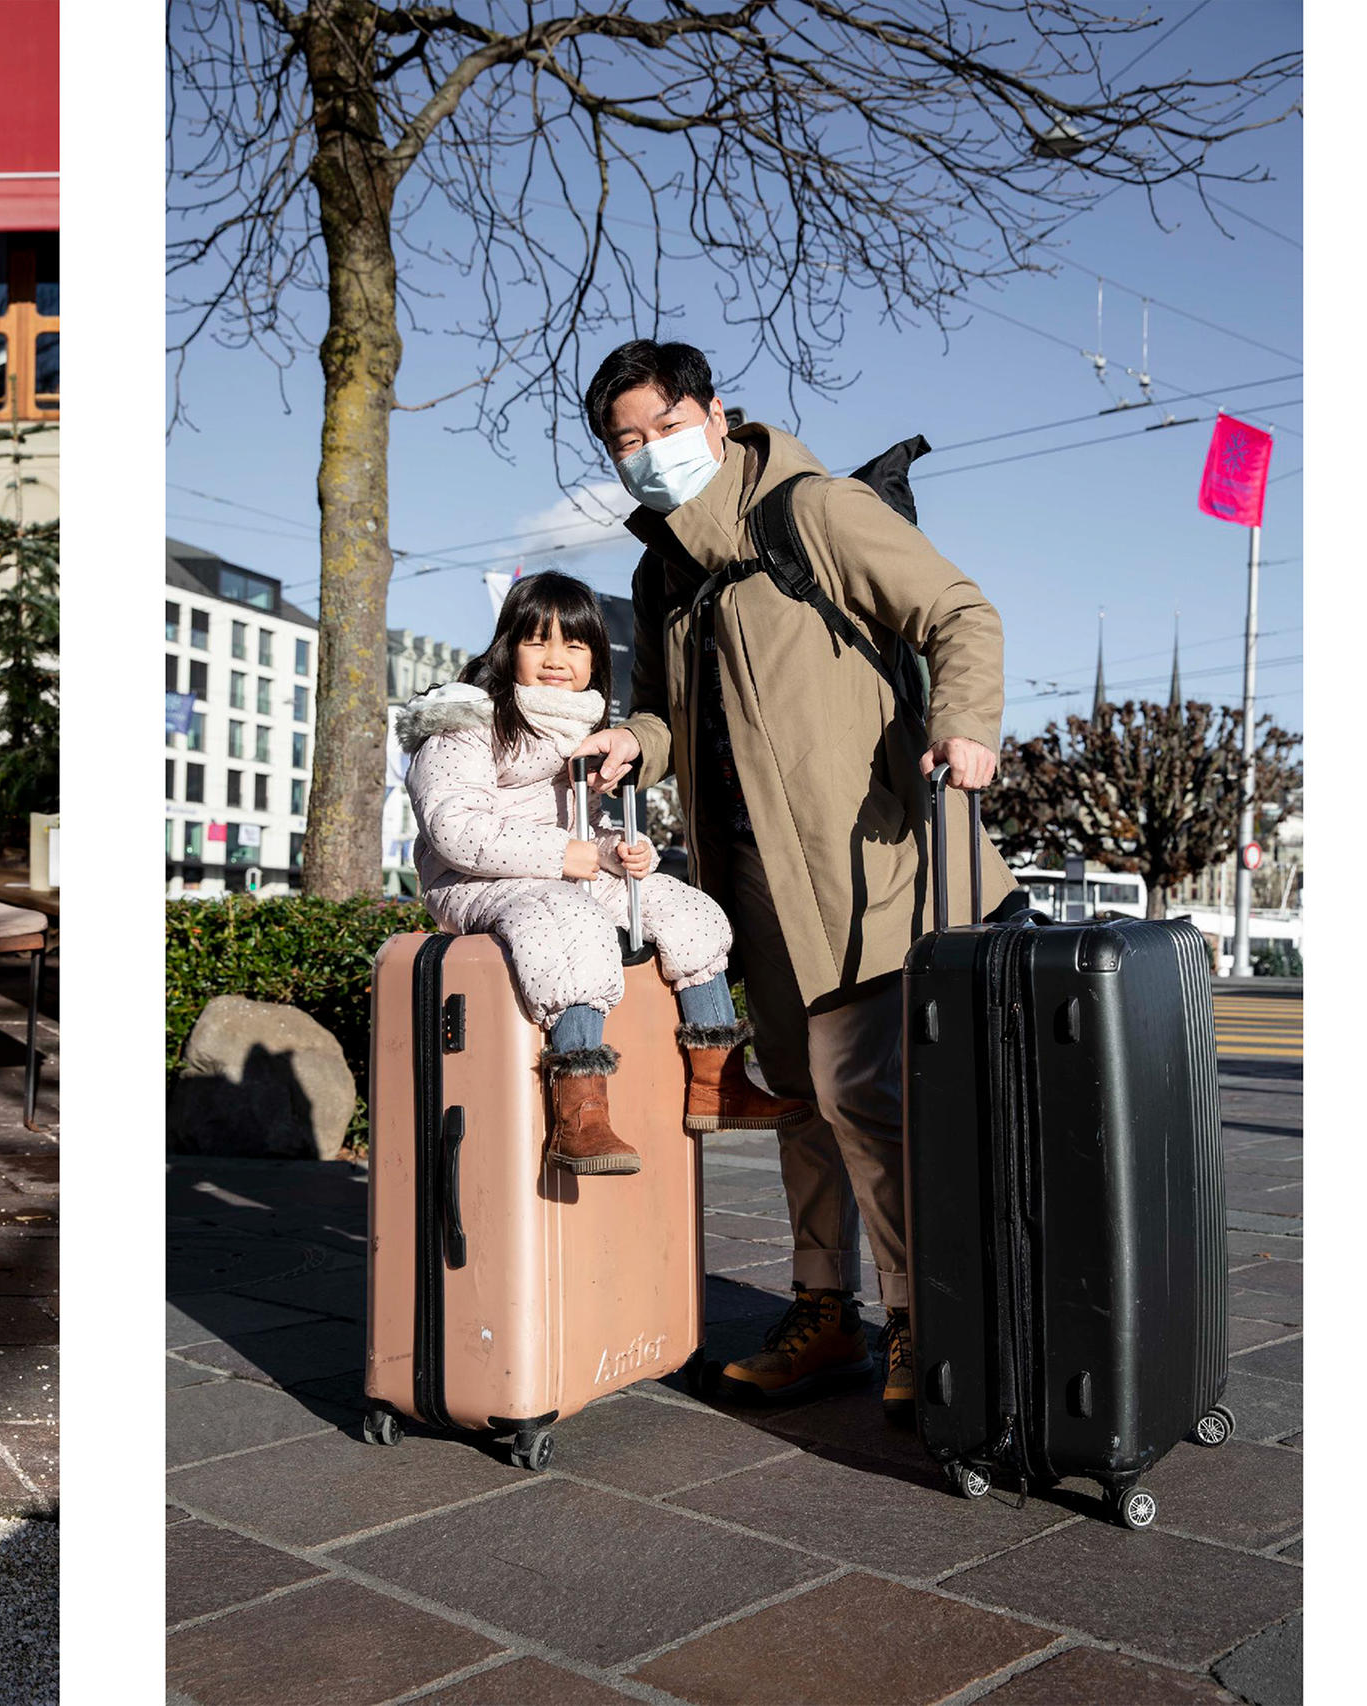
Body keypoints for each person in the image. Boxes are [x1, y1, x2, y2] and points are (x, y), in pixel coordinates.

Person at [570, 338, 1013, 1417]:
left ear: (715, 416)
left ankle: (916, 1311)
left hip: (866, 859)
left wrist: (963, 726)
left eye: (661, 429)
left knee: (865, 1090)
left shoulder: (810, 512)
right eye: (623, 442)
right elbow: (674, 711)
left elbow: (958, 611)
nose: (645, 454)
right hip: (743, 870)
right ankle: (826, 1311)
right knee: (803, 1100)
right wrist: (635, 739)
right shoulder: (663, 566)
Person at [398, 571, 806, 1177]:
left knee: (684, 909)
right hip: (473, 879)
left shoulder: (581, 730)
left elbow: (585, 831)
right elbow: (454, 828)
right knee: (572, 925)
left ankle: (718, 1081)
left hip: (561, 870)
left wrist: (619, 852)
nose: (556, 659)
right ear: (509, 646)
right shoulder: (467, 724)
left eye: (576, 644)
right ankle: (579, 1106)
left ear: (595, 658)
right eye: (538, 641)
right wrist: (569, 858)